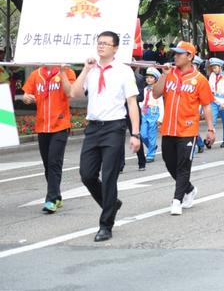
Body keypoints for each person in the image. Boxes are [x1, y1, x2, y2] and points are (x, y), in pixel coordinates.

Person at [69, 31, 140, 242]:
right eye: (99, 43)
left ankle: (105, 224)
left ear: (115, 48)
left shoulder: (123, 71)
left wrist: (135, 134)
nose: (101, 47)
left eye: (106, 44)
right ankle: (111, 203)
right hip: (93, 128)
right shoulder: (91, 69)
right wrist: (86, 69)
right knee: (87, 174)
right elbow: (75, 93)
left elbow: (132, 104)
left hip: (114, 128)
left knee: (109, 176)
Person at [152, 41, 214, 216]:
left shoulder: (199, 80)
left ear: (190, 56)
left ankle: (177, 200)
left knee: (183, 166)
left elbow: (207, 105)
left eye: (180, 53)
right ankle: (189, 189)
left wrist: (210, 129)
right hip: (169, 128)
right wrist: (163, 76)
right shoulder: (169, 74)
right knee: (169, 161)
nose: (176, 56)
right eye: (175, 53)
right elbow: (156, 93)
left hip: (188, 130)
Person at [22, 64, 76, 213]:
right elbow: (26, 95)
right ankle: (57, 195)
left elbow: (69, 92)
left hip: (60, 125)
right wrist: (27, 98)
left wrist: (63, 71)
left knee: (54, 162)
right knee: (47, 164)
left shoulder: (68, 71)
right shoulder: (36, 74)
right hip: (42, 126)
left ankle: (51, 199)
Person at [140, 68, 163, 163]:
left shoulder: (158, 90)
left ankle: (150, 155)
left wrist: (161, 118)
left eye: (151, 77)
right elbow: (142, 100)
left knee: (152, 135)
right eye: (147, 77)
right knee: (143, 134)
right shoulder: (145, 89)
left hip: (154, 112)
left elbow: (161, 105)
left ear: (156, 79)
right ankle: (151, 147)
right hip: (145, 112)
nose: (148, 79)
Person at [208, 57, 224, 146]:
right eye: (212, 68)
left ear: (220, 67)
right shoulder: (212, 76)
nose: (214, 69)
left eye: (215, 67)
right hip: (214, 99)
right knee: (212, 120)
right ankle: (209, 139)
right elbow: (210, 87)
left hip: (223, 100)